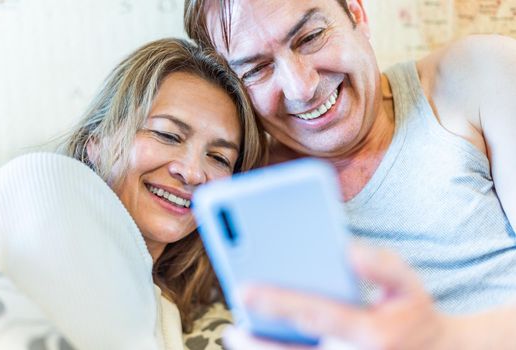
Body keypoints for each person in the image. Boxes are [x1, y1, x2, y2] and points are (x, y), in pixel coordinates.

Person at [183, 0, 516, 348]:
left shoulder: (479, 75)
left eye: (311, 37)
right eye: (256, 70)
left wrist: (442, 339)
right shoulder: (243, 188)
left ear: (357, 14)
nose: (301, 88)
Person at [0, 38, 266, 350]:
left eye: (219, 158)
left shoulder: (169, 311)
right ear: (94, 142)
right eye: (167, 135)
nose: (192, 173)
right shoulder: (44, 182)